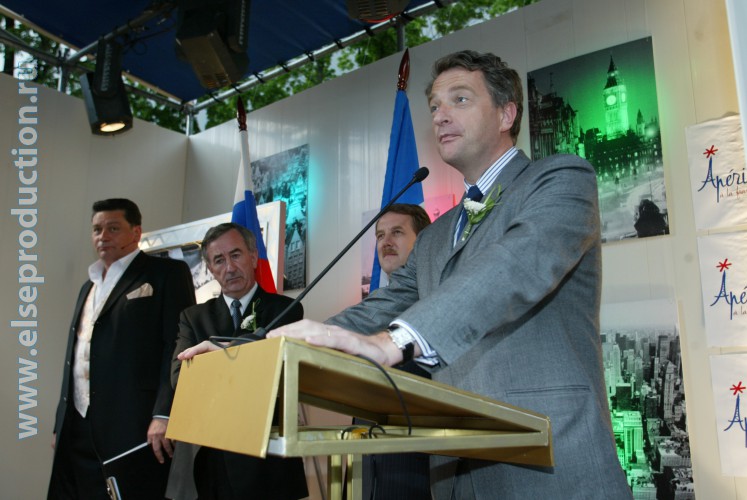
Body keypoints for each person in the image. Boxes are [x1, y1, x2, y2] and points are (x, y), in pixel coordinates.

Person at [179, 50, 632, 498]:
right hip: (457, 470)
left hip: (551, 459)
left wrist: (392, 342)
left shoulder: (561, 179)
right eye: (434, 106)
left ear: (506, 114)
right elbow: (375, 310)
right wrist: (250, 349)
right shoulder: (434, 237)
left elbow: (515, 265)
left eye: (459, 99)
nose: (440, 116)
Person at [48, 198, 196, 500]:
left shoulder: (166, 273)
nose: (103, 236)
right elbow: (76, 355)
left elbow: (177, 346)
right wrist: (60, 423)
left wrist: (164, 414)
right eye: (97, 230)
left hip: (135, 425)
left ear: (136, 232)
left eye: (113, 228)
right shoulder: (87, 286)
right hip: (78, 425)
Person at [167, 223, 308, 500]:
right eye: (219, 260)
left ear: (253, 257)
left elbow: (275, 372)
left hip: (268, 460)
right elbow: (180, 378)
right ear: (210, 268)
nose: (229, 267)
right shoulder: (193, 317)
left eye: (235, 255)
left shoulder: (285, 309)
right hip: (211, 460)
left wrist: (215, 357)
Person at [364, 203, 432, 500]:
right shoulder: (370, 307)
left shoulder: (435, 301)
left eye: (397, 233)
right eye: (380, 235)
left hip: (419, 462)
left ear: (424, 240)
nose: (386, 242)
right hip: (369, 462)